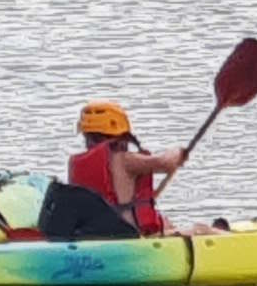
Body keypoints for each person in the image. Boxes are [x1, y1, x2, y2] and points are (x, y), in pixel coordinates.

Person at [55, 100, 224, 238]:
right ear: (120, 134)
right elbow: (165, 162)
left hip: (93, 235)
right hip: (130, 238)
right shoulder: (125, 160)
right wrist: (179, 153)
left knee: (165, 222)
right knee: (201, 229)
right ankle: (231, 239)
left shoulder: (75, 164)